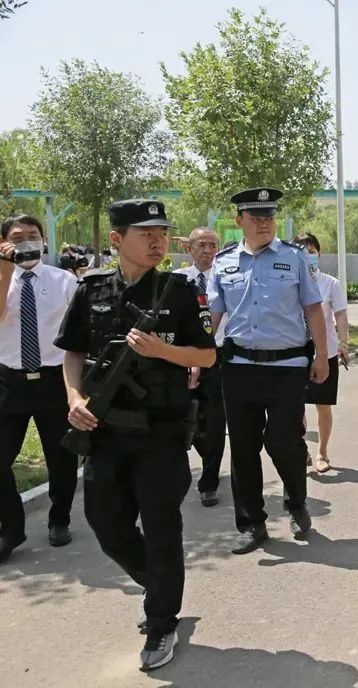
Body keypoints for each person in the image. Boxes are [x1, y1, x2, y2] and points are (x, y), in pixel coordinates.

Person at [55, 199, 216, 671]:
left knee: (162, 527)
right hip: (105, 431)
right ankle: (160, 584)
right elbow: (73, 352)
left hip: (161, 433)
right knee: (105, 523)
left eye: (161, 233)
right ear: (115, 239)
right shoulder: (91, 289)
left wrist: (163, 351)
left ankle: (162, 619)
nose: (157, 241)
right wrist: (74, 398)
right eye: (145, 233)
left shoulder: (179, 291)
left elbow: (207, 356)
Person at [207, 188, 329, 555]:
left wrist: (321, 356)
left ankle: (297, 502)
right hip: (239, 368)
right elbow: (214, 315)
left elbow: (313, 309)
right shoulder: (224, 262)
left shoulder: (295, 258)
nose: (264, 223)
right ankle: (252, 524)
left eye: (269, 217)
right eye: (256, 218)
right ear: (239, 221)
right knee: (243, 448)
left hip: (287, 367)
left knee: (283, 441)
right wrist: (197, 357)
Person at [0, 214, 79, 562]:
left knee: (61, 459)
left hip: (54, 379)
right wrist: (4, 270)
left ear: (44, 240)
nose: (27, 242)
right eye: (17, 237)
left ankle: (59, 519)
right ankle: (11, 528)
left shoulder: (65, 281)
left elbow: (80, 334)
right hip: (8, 381)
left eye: (33, 235)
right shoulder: (2, 278)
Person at [174, 227, 227, 507]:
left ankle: (209, 481)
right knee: (184, 418)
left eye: (213, 245)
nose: (208, 250)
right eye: (202, 245)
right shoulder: (177, 281)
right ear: (189, 248)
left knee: (216, 421)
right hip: (183, 360)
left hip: (219, 358)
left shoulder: (228, 278)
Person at [295, 232, 350, 474]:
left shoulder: (330, 283)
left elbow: (340, 314)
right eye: (302, 251)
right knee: (295, 405)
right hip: (295, 352)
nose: (307, 256)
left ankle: (322, 452)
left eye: (311, 251)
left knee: (322, 405)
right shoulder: (288, 281)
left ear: (319, 253)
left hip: (324, 353)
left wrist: (343, 343)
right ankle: (302, 449)